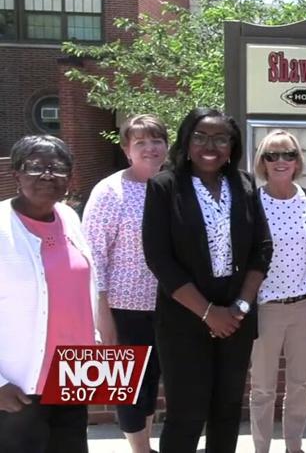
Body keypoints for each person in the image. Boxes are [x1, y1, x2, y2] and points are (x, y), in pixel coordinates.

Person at [142, 108, 272, 453]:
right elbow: (159, 258)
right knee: (186, 414)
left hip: (236, 320)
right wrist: (209, 313)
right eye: (200, 137)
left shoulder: (244, 184)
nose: (210, 146)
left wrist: (240, 306)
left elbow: (262, 248)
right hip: (183, 319)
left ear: (232, 146)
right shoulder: (164, 186)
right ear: (186, 141)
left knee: (227, 411)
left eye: (220, 138)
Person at [0, 135, 111, 453]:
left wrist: (94, 347)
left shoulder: (69, 218)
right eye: (35, 166)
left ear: (70, 177)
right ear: (16, 174)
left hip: (72, 375)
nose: (48, 175)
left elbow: (80, 292)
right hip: (17, 385)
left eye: (58, 167)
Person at [82, 115, 168, 453]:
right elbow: (93, 256)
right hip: (123, 307)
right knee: (127, 385)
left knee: (152, 381)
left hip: (169, 304)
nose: (150, 148)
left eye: (156, 140)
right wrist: (102, 313)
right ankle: (140, 449)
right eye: (140, 142)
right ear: (126, 149)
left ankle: (145, 445)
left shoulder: (173, 186)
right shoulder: (109, 192)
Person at [249, 129, 306, 453]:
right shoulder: (252, 201)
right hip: (266, 306)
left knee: (300, 385)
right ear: (262, 161)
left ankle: (294, 446)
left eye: (288, 154)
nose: (281, 161)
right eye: (272, 155)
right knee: (262, 388)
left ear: (297, 160)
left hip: (303, 305)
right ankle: (261, 448)